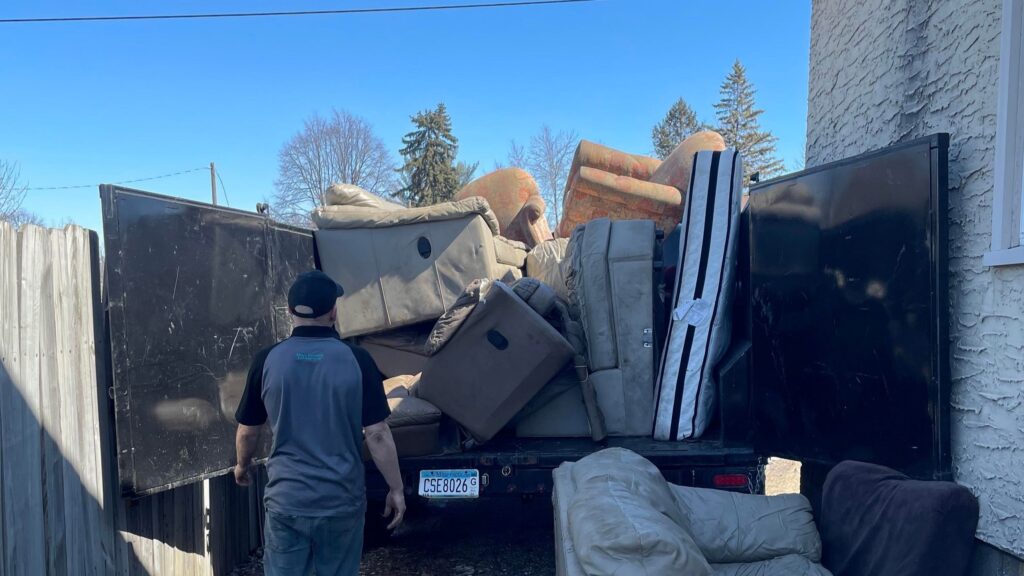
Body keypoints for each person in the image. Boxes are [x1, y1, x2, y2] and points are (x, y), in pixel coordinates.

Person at [233, 270, 405, 576]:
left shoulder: (267, 360)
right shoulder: (358, 360)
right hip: (341, 502)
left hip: (287, 502)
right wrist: (396, 488)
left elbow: (248, 430)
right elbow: (377, 434)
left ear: (289, 311)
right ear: (333, 312)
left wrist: (242, 466)